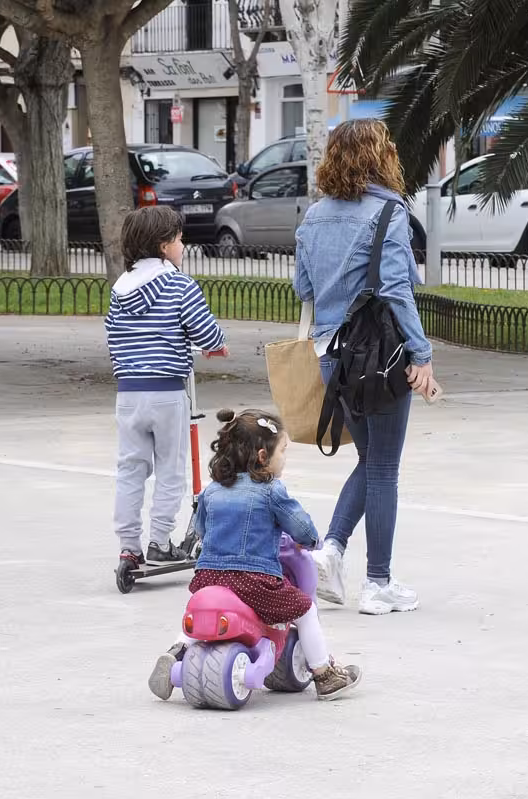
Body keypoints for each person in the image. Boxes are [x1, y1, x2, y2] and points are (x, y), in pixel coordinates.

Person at [293, 118, 435, 616]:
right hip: (379, 357)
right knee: (384, 468)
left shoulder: (312, 218)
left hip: (332, 357)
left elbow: (305, 290)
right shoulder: (388, 214)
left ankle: (331, 550)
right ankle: (378, 583)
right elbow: (397, 291)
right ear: (381, 157)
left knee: (370, 461)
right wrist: (422, 355)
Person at [148, 409, 362, 702]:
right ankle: (325, 675)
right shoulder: (271, 491)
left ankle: (177, 651)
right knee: (304, 610)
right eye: (283, 451)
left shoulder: (211, 492)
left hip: (209, 578)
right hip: (255, 582)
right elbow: (301, 527)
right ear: (263, 456)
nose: (284, 458)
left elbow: (200, 529)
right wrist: (311, 541)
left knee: (196, 615)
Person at [105, 205, 227, 571]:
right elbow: (206, 332)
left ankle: (129, 546)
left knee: (130, 468)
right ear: (163, 246)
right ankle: (159, 540)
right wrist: (216, 345)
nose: (183, 244)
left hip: (127, 393)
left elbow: (113, 335)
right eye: (178, 238)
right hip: (167, 391)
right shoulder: (179, 284)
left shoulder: (119, 289)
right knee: (170, 468)